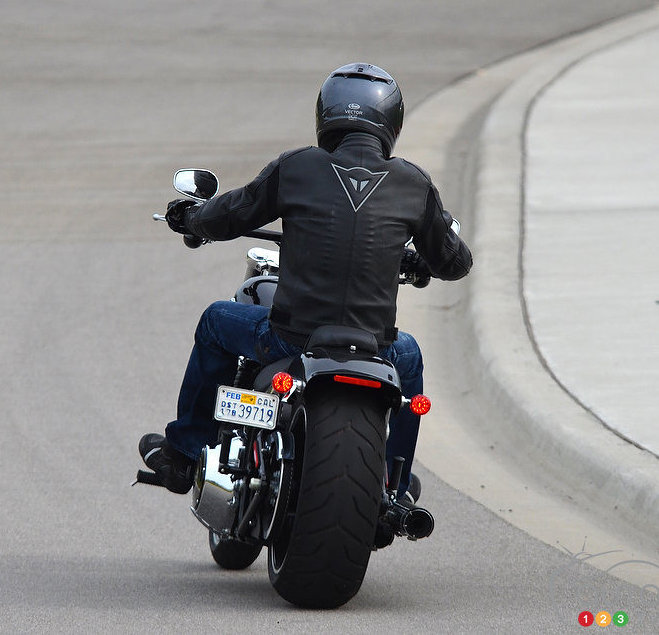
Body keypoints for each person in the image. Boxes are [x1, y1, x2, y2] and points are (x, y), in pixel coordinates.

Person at [140, 63, 472, 497]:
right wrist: (424, 259)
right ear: (393, 122)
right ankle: (396, 485)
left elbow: (231, 214)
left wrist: (190, 217)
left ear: (325, 115)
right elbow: (455, 263)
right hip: (376, 346)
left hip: (291, 340)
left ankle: (184, 454)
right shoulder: (414, 183)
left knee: (215, 322)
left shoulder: (298, 167)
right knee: (409, 358)